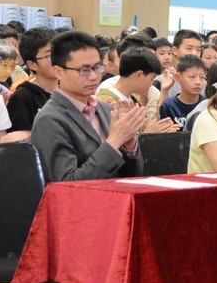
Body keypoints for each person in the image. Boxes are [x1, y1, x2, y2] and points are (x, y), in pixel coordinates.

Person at [30, 31, 146, 181]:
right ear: (59, 72)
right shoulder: (49, 120)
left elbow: (134, 175)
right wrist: (114, 142)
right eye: (84, 70)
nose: (93, 76)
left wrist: (128, 144)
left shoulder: (106, 110)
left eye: (97, 68)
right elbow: (66, 183)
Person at [7, 27, 57, 133]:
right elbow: (20, 138)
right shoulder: (22, 97)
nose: (58, 59)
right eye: (49, 56)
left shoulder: (69, 91)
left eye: (59, 53)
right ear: (32, 64)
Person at [159, 54, 208, 129]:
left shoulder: (207, 105)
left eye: (202, 77)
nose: (198, 82)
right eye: (192, 77)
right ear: (177, 77)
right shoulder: (168, 106)